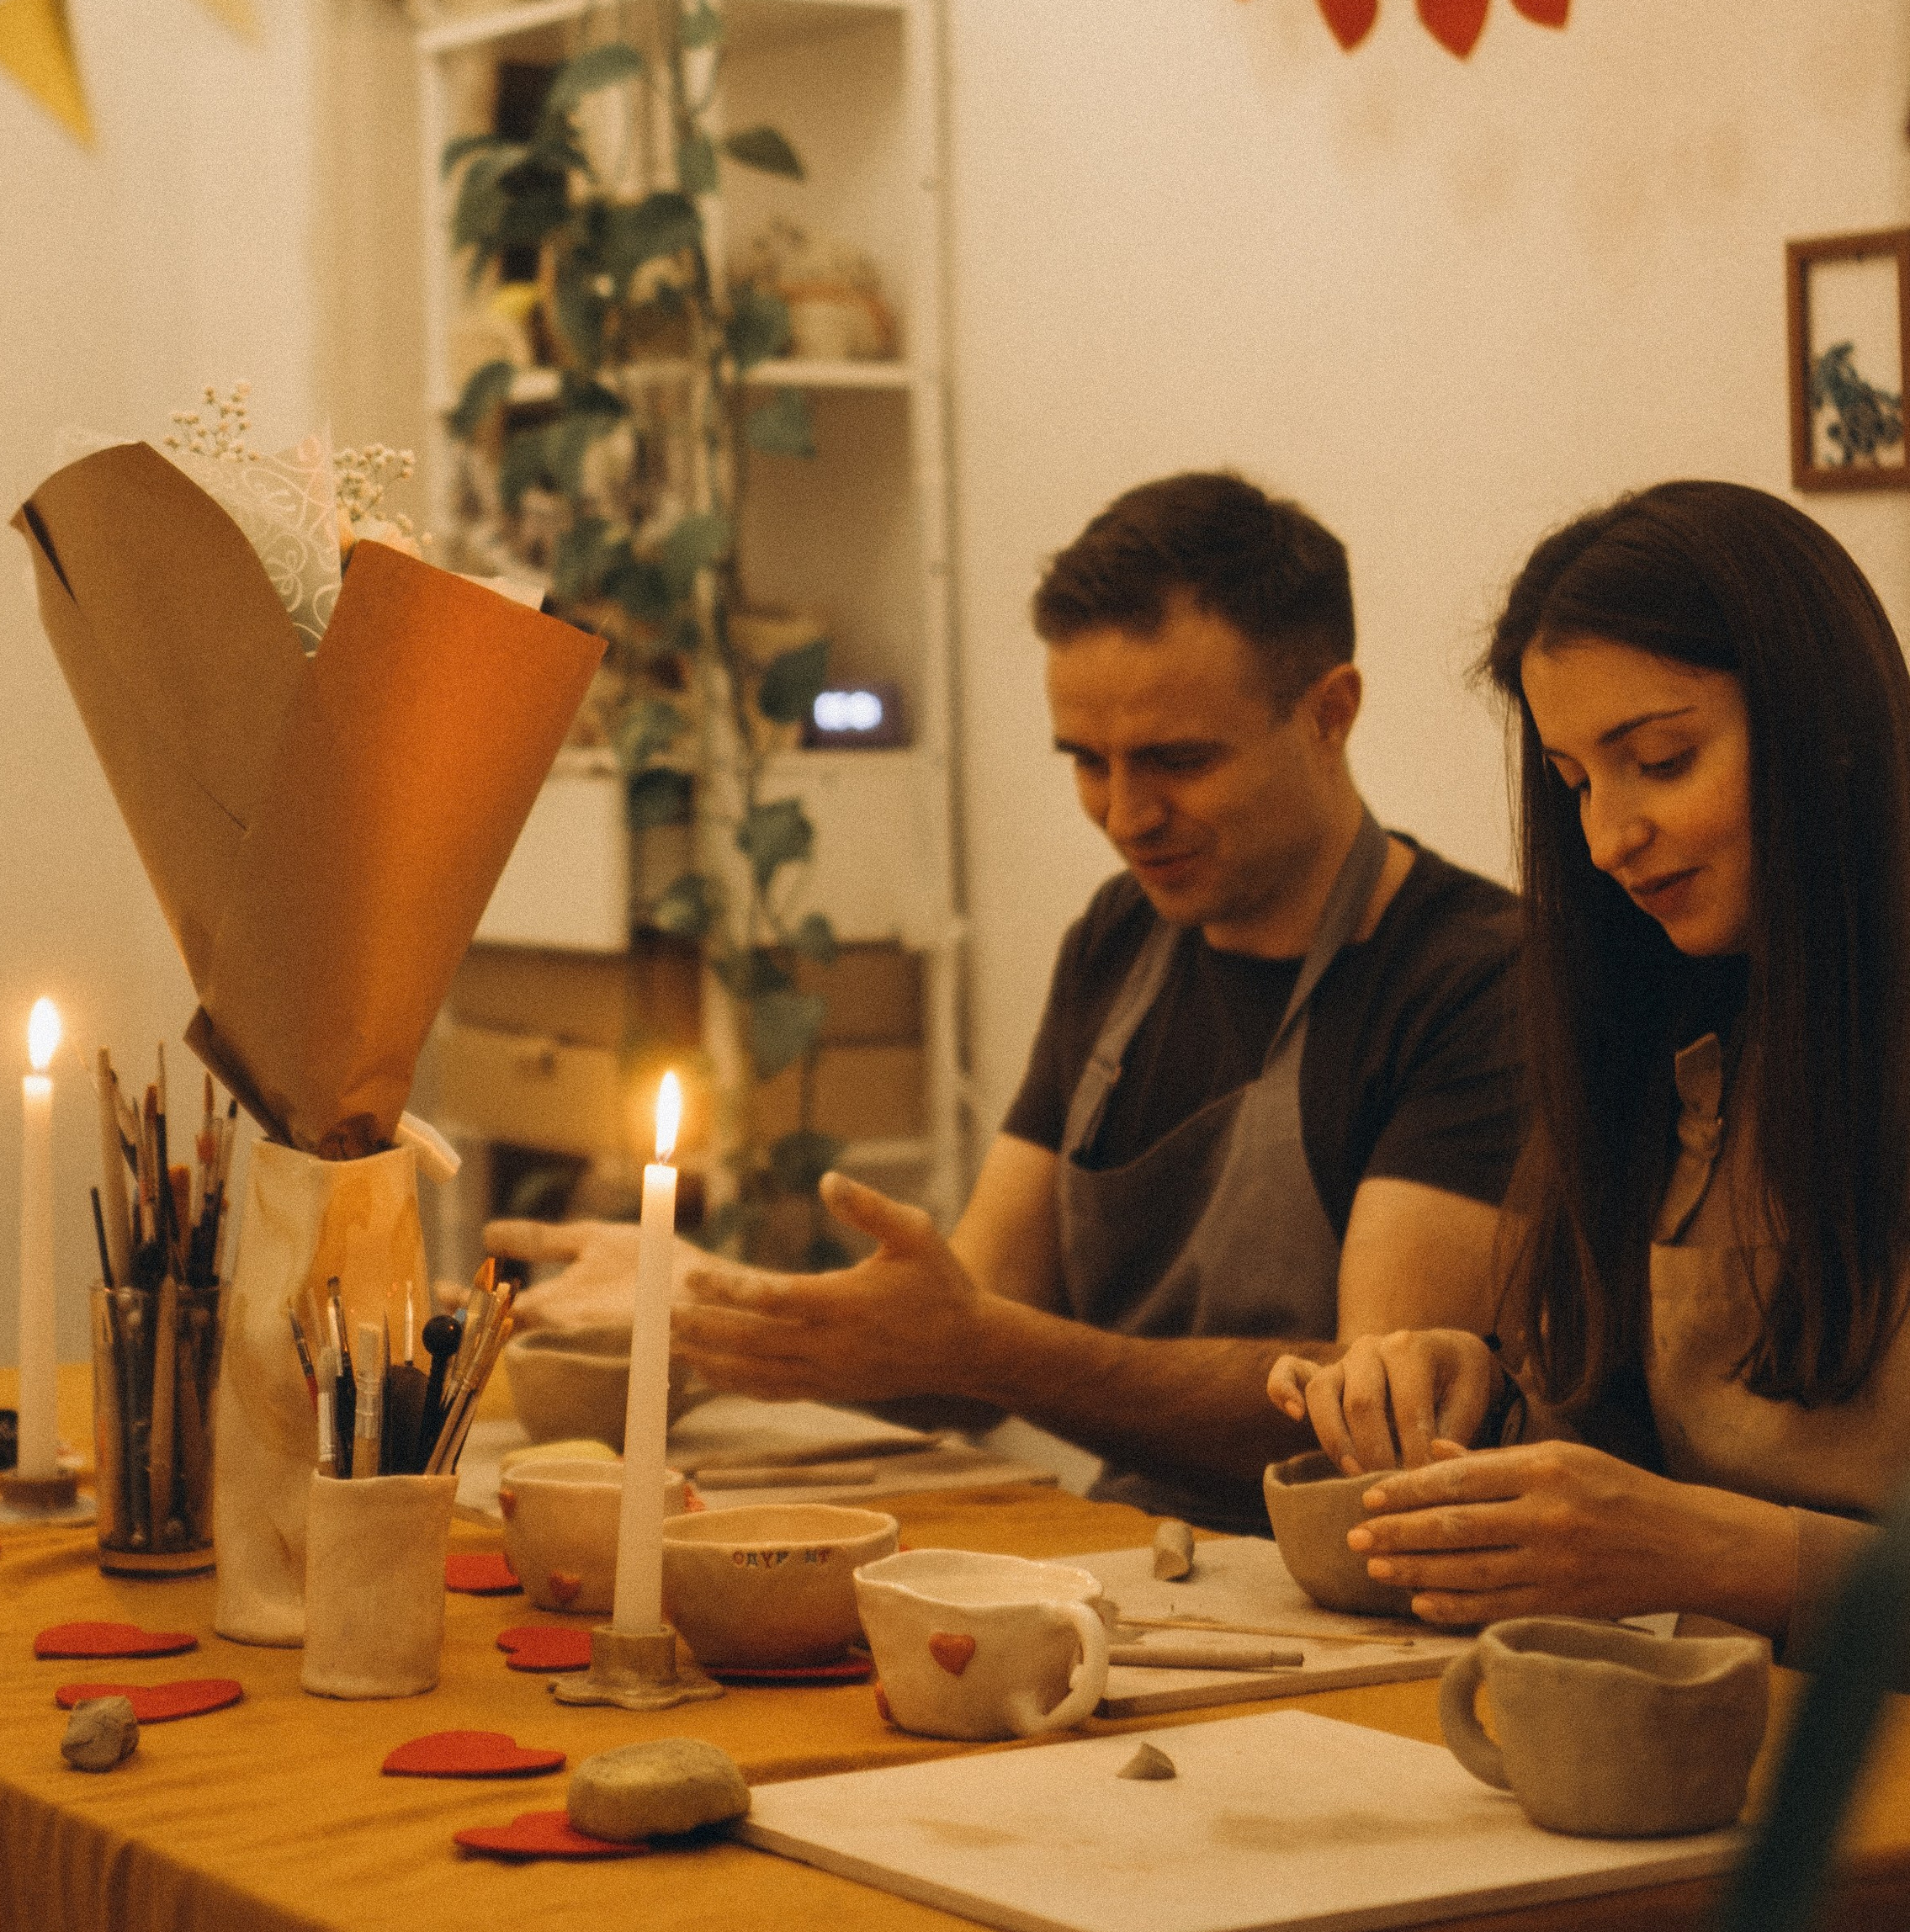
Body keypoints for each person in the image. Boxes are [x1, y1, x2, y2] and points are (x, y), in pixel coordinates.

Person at [489, 471, 1525, 1531]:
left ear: (1330, 714)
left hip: (1348, 1588)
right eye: (1087, 762)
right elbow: (958, 1331)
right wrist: (703, 1299)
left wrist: (975, 1343)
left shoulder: (1478, 981)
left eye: (1177, 760)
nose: (1126, 815)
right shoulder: (1123, 937)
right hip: (1134, 1548)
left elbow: (1373, 1423)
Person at [1268, 481, 1910, 1666]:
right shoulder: (1679, 1044)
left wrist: (1722, 1555)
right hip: (1720, 1749)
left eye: (1661, 761)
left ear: (1827, 728)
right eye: (1573, 785)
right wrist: (1490, 1401)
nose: (1609, 840)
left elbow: (1678, 1532)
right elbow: (1621, 1443)